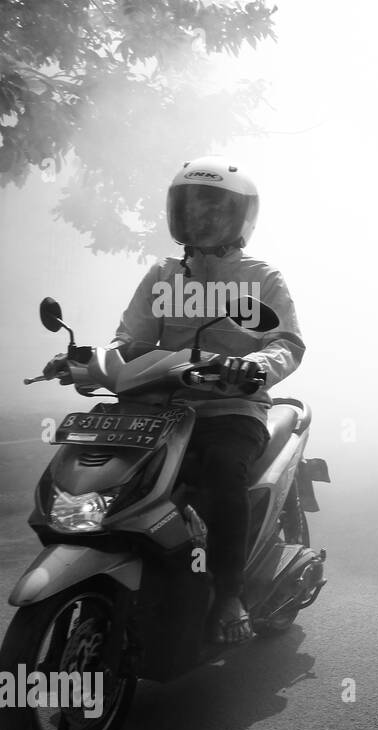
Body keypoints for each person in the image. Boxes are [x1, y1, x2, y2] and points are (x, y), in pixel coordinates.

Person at [46, 156, 305, 643]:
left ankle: (229, 594)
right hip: (154, 408)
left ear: (240, 218)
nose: (201, 219)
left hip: (230, 408)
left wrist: (253, 367)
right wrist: (82, 361)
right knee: (109, 469)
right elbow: (128, 341)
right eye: (191, 209)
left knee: (223, 471)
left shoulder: (262, 278)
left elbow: (286, 345)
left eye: (213, 210)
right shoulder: (162, 275)